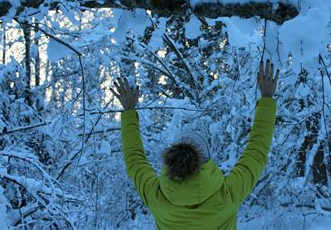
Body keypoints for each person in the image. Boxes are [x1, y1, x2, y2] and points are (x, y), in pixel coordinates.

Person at [109, 59, 279, 229]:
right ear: (206, 161)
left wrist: (129, 111)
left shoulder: (157, 197)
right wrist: (266, 99)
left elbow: (134, 159)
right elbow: (257, 151)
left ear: (170, 161)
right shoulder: (227, 195)